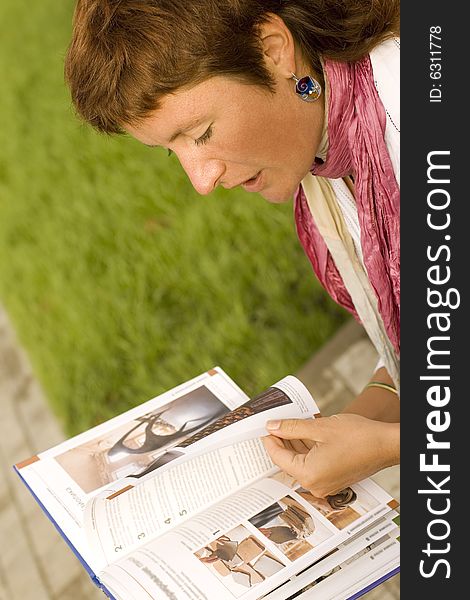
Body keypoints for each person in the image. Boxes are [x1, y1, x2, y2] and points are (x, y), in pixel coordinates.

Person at [64, 0, 400, 498]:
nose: (201, 180)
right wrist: (354, 425)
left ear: (272, 50)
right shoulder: (326, 146)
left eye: (201, 133)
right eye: (170, 150)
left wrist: (397, 447)